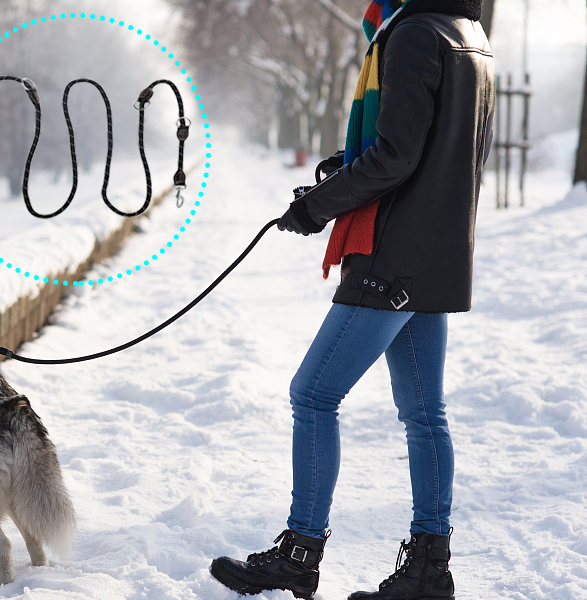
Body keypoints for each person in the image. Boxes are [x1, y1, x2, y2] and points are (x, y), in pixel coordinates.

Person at [209, 0, 494, 599]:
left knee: (312, 394)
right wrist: (347, 167)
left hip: (391, 254)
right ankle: (427, 570)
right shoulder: (469, 33)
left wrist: (318, 206)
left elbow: (397, 156)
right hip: (435, 254)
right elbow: (437, 145)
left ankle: (299, 554)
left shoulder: (415, 34)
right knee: (424, 416)